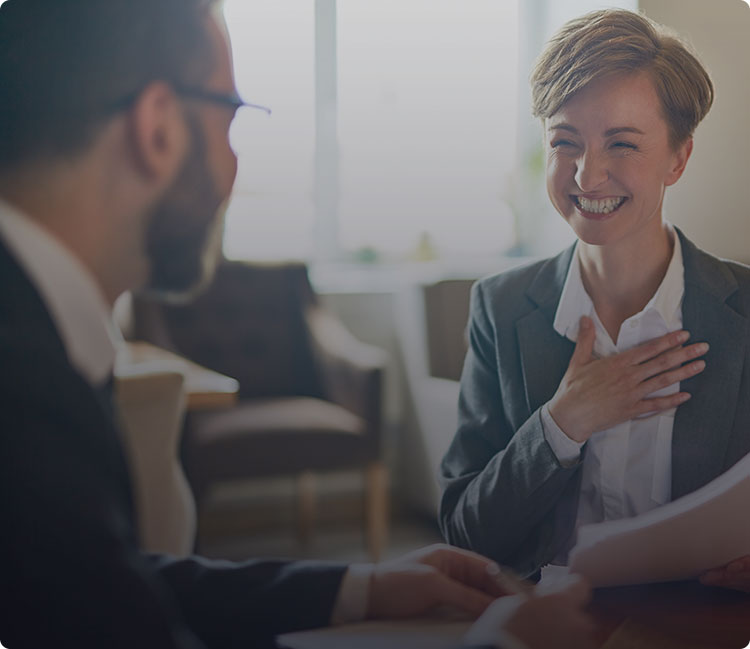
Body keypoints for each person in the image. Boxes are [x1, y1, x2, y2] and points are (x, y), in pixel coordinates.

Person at [0, 1, 597, 648]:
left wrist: (361, 587)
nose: (235, 167)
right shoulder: (25, 385)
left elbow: (115, 588)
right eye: (233, 121)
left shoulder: (35, 333)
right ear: (158, 129)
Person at [439, 7, 750, 588]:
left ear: (678, 158)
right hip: (543, 623)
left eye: (622, 144)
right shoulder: (500, 308)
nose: (586, 175)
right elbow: (464, 533)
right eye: (566, 141)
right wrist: (562, 422)